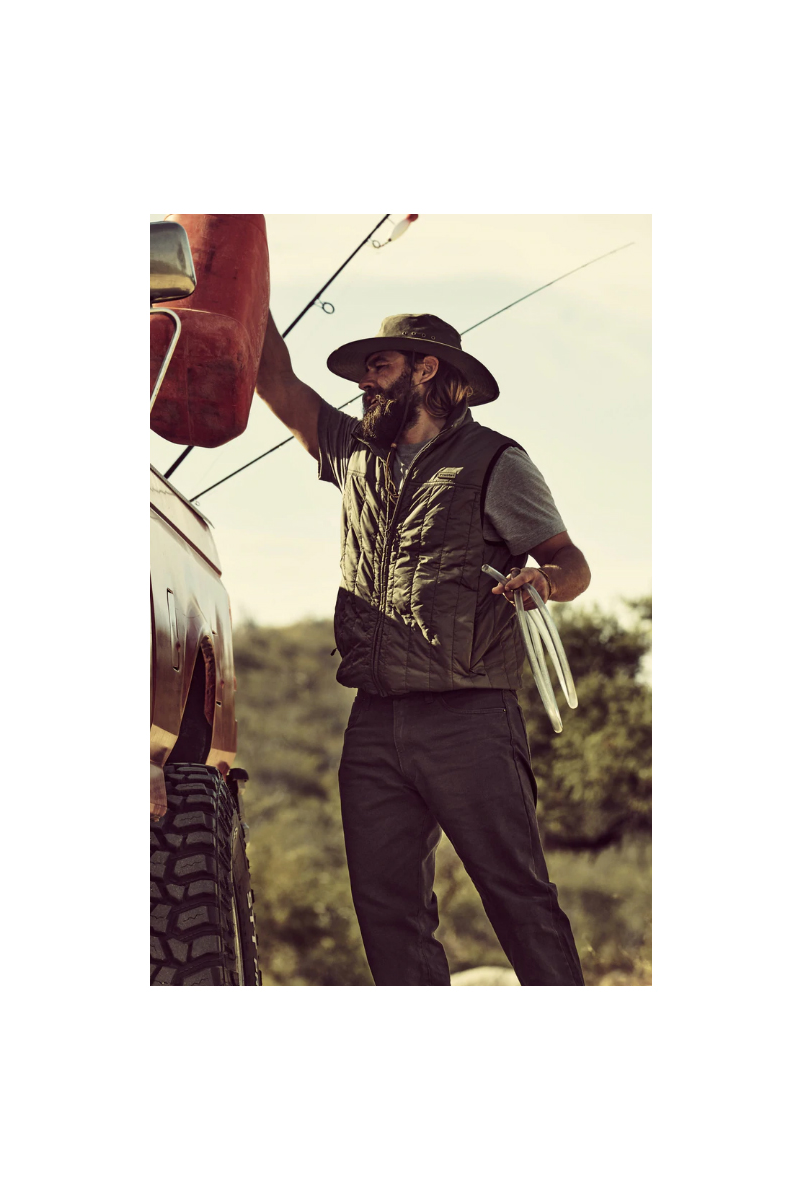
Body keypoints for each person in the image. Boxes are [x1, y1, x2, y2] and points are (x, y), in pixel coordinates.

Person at [256, 310, 591, 986]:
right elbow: (275, 379)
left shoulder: (496, 461)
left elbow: (571, 562)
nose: (364, 382)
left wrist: (544, 581)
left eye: (378, 367)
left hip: (471, 718)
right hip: (374, 720)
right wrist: (234, 264)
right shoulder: (350, 449)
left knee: (518, 898)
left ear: (426, 369)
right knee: (387, 910)